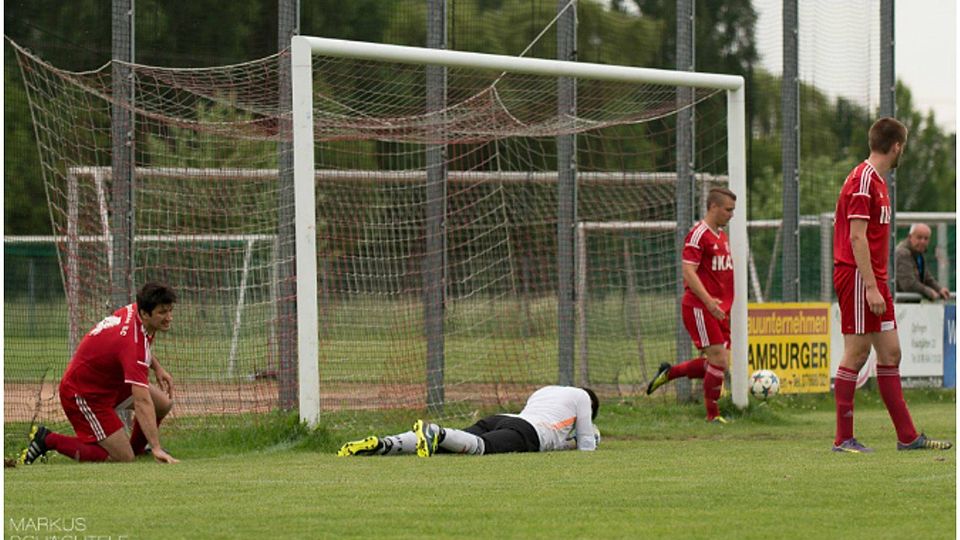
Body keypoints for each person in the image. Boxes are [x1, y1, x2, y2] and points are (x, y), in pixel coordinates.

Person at [831, 117, 951, 453]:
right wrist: (870, 286)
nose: (903, 153)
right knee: (856, 354)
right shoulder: (862, 180)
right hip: (857, 276)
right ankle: (843, 439)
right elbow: (856, 238)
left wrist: (878, 283)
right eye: (904, 148)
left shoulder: (880, 182)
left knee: (891, 353)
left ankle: (908, 437)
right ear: (897, 146)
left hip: (874, 279)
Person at [18, 282, 181, 464]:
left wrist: (157, 367)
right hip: (84, 394)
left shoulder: (138, 311)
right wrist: (157, 447)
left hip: (108, 383)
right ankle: (48, 439)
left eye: (170, 310)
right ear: (145, 314)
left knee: (162, 404)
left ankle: (137, 449)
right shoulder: (132, 343)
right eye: (162, 312)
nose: (169, 317)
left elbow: (136, 350)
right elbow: (142, 401)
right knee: (123, 458)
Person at [645, 187, 737, 424]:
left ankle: (670, 372)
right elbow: (688, 270)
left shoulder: (721, 236)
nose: (731, 215)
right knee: (718, 361)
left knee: (718, 363)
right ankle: (712, 416)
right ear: (713, 207)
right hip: (700, 306)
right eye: (728, 210)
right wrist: (709, 302)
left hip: (721, 309)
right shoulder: (698, 235)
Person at [337, 386, 599, 457]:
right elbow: (587, 443)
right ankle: (436, 432)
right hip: (527, 432)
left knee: (450, 443)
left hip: (503, 418)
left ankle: (383, 444)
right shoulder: (582, 397)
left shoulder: (547, 390)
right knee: (480, 447)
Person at [895, 223, 951, 301]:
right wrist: (928, 291)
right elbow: (908, 283)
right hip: (898, 305)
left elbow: (926, 276)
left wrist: (939, 289)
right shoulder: (902, 253)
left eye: (926, 238)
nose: (922, 241)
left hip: (907, 305)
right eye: (919, 237)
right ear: (910, 237)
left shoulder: (918, 252)